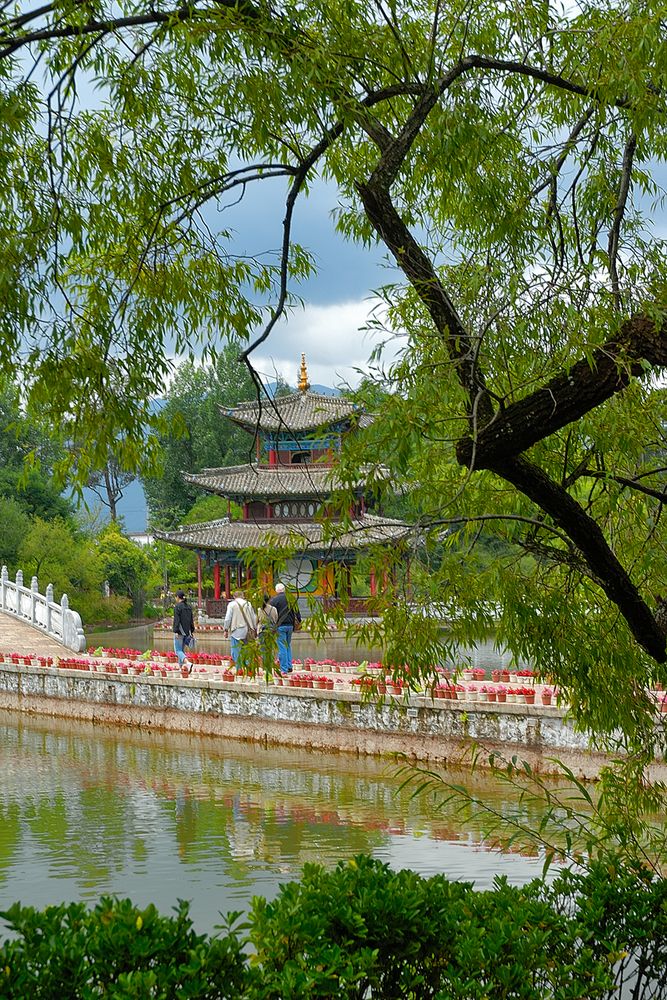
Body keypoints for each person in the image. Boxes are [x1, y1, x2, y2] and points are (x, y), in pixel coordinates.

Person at [269, 582, 302, 674]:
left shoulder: (274, 600)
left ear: (276, 590)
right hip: (290, 625)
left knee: (282, 647)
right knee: (287, 645)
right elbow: (297, 612)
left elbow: (271, 614)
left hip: (280, 626)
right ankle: (289, 666)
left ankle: (284, 669)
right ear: (284, 590)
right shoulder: (291, 598)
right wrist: (299, 621)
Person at [223, 589, 258, 671]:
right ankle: (249, 668)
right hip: (248, 630)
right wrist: (254, 628)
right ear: (243, 596)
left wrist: (226, 629)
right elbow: (254, 617)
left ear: (234, 596)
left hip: (237, 630)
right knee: (247, 649)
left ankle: (239, 669)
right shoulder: (248, 604)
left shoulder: (232, 604)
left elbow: (228, 618)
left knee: (236, 650)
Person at [173, 590, 195, 674]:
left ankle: (187, 663)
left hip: (180, 632)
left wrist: (176, 631)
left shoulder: (177, 607)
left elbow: (177, 620)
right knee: (182, 650)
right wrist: (191, 630)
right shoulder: (188, 607)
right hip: (187, 631)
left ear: (178, 597)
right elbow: (191, 620)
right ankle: (181, 668)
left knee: (178, 650)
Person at [257, 593, 278, 672]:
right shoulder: (274, 609)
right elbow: (276, 619)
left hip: (262, 631)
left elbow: (258, 620)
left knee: (263, 649)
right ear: (269, 599)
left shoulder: (260, 610)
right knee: (270, 648)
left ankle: (264, 666)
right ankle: (269, 665)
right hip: (271, 631)